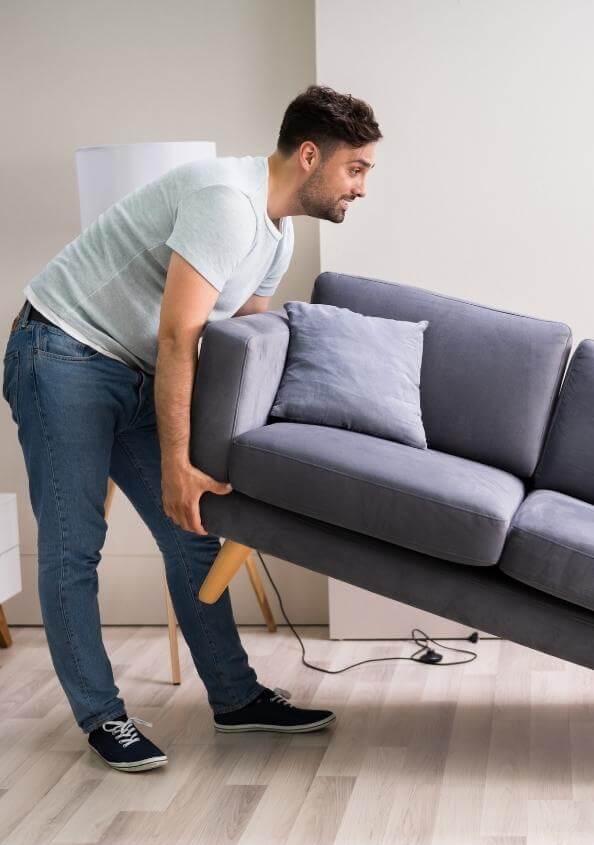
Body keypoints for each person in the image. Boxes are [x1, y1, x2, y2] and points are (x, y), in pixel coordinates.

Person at [3, 84, 381, 773]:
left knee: (194, 531)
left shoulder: (277, 232)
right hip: (62, 353)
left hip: (134, 369)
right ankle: (103, 716)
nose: (360, 187)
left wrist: (236, 460)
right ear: (308, 156)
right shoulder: (226, 203)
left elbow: (238, 352)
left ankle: (235, 699)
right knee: (73, 548)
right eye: (355, 169)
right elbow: (180, 337)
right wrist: (178, 461)